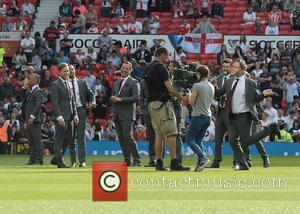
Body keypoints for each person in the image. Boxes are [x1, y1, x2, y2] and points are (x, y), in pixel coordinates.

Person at [214, 59, 280, 170]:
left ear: (242, 69)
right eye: (232, 67)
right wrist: (215, 86)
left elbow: (256, 99)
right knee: (232, 140)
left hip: (245, 116)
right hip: (232, 116)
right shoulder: (229, 82)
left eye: (235, 67)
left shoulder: (250, 83)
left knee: (246, 141)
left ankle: (270, 128)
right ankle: (243, 163)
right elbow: (217, 95)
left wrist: (264, 94)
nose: (232, 69)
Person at [145, 47, 190, 171]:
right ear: (163, 55)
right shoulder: (161, 67)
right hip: (162, 104)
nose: (168, 59)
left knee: (159, 134)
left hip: (151, 104)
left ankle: (158, 162)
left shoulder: (148, 68)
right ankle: (174, 162)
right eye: (167, 56)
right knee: (171, 133)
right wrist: (181, 97)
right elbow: (169, 88)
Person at [111, 61, 141, 166]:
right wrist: (113, 100)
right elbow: (114, 97)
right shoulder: (116, 83)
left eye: (126, 69)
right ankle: (127, 159)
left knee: (127, 136)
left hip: (128, 114)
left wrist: (120, 99)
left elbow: (136, 97)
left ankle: (137, 159)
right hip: (117, 114)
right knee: (121, 138)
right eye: (123, 68)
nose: (124, 70)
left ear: (130, 70)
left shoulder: (134, 82)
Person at [186, 65, 215, 172]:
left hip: (198, 115)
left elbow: (191, 102)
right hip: (208, 116)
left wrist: (189, 94)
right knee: (198, 140)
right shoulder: (211, 86)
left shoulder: (197, 86)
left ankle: (203, 158)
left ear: (198, 74)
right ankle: (200, 164)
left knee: (189, 139)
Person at [50, 63, 79, 168]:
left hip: (71, 117)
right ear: (59, 72)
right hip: (61, 117)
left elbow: (73, 101)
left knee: (69, 138)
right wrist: (59, 117)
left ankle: (56, 158)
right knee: (59, 139)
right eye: (65, 71)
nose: (67, 73)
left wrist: (75, 114)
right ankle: (60, 162)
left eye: (68, 71)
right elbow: (55, 102)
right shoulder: (55, 84)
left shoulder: (69, 83)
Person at [68, 65, 94, 167]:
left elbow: (90, 95)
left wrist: (92, 102)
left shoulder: (82, 82)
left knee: (81, 136)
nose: (70, 71)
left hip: (80, 110)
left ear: (75, 71)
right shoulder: (64, 83)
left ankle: (82, 161)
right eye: (68, 70)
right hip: (69, 111)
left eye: (72, 69)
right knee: (71, 136)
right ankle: (73, 161)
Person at [21, 74, 44, 165]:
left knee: (37, 140)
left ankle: (39, 159)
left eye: (30, 79)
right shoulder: (31, 90)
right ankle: (32, 159)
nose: (28, 80)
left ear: (35, 80)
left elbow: (38, 104)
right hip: (28, 119)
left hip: (35, 119)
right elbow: (22, 97)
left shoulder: (38, 91)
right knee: (30, 140)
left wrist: (32, 116)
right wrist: (24, 86)